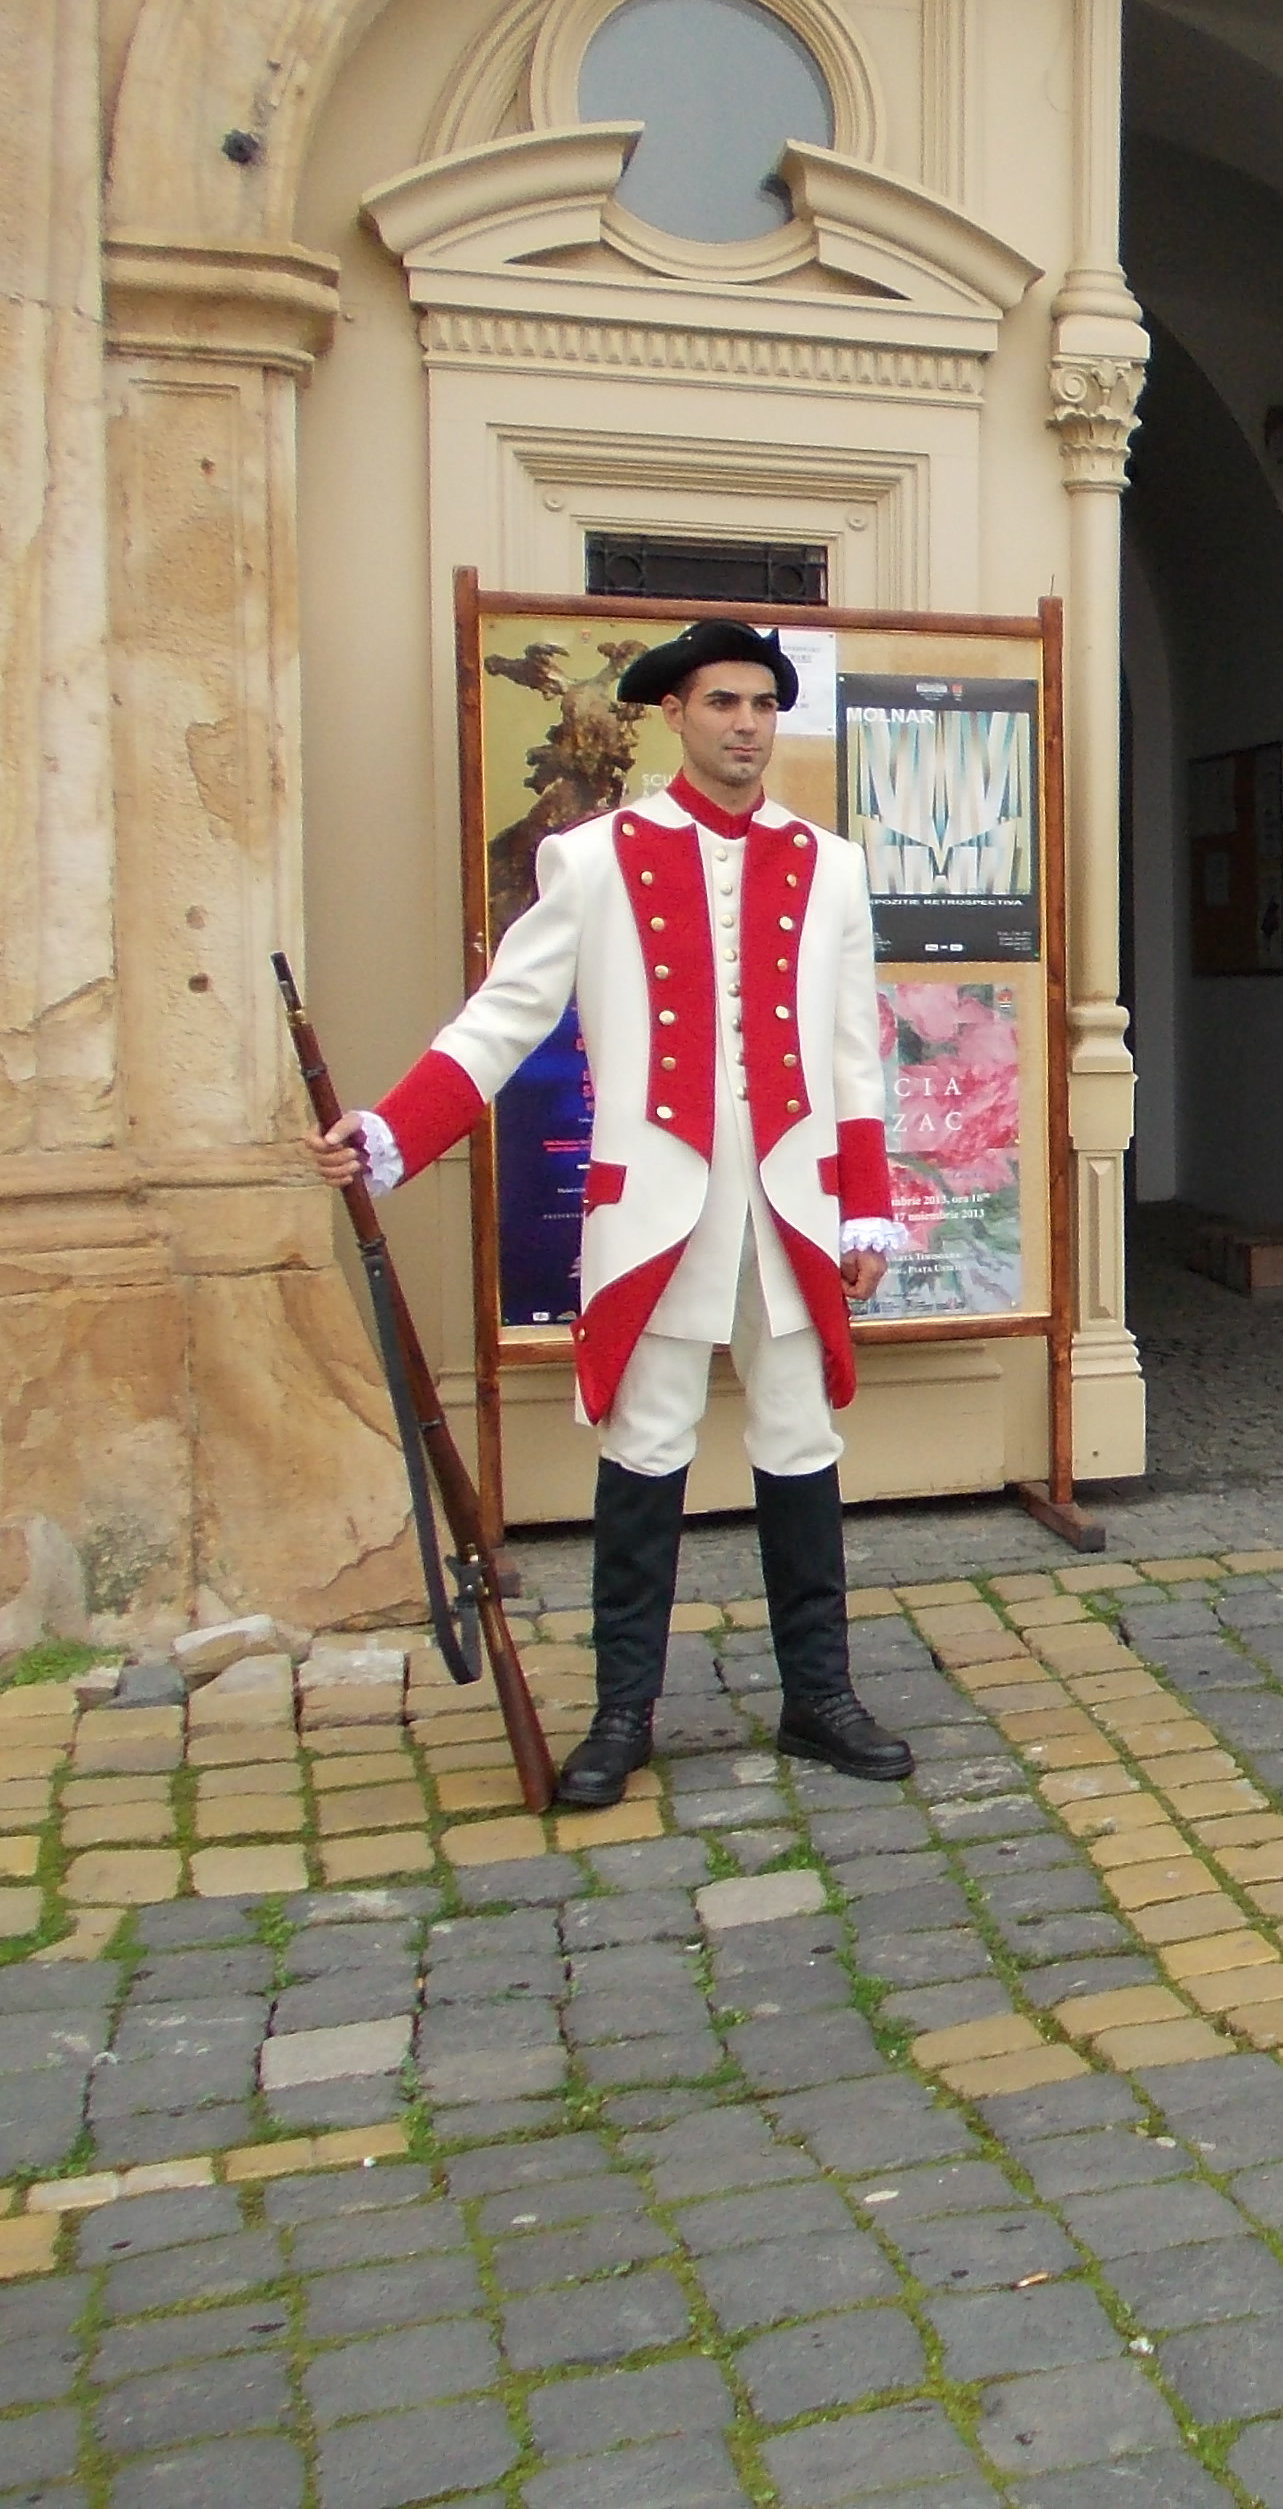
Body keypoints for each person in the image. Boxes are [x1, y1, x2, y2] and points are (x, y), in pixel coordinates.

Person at [305, 619, 917, 1806]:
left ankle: (819, 1696)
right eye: (722, 703)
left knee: (800, 1448)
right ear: (675, 716)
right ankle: (625, 1711)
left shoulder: (830, 865)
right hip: (657, 1212)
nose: (746, 724)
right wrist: (392, 1132)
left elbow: (855, 1057)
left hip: (789, 1210)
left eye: (761, 704)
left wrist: (865, 1212)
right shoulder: (594, 858)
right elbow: (502, 1017)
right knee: (644, 1455)